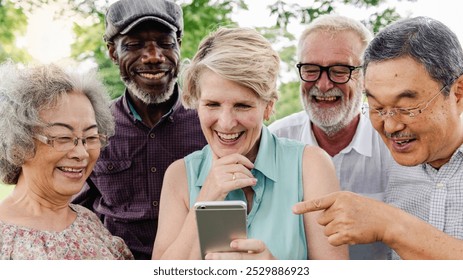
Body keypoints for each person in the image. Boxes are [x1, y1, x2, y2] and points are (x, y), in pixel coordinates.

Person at [152, 27, 348, 260]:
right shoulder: (180, 175)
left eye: (242, 106)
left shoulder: (310, 166)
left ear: (268, 107)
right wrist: (206, 198)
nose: (225, 123)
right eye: (212, 104)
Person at [293, 16, 463, 260]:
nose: (391, 126)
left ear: (457, 93)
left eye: (406, 107)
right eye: (377, 108)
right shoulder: (393, 156)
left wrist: (391, 225)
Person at [72, 0, 207, 259]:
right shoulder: (93, 126)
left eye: (166, 43)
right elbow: (73, 206)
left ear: (179, 45)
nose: (154, 57)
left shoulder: (209, 122)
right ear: (112, 53)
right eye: (134, 45)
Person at [268, 14, 393, 259]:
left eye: (339, 71)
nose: (323, 85)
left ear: (365, 76)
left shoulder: (392, 144)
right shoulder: (275, 140)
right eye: (312, 70)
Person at [0, 62, 133, 260]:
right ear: (19, 144)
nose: (81, 153)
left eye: (90, 137)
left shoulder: (88, 221)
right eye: (63, 137)